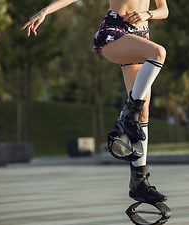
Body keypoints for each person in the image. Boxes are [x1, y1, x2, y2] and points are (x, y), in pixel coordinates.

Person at [21, 0, 169, 204]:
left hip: (141, 35)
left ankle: (139, 182)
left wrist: (148, 15)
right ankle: (127, 113)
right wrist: (46, 11)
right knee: (159, 53)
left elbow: (164, 10)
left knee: (143, 114)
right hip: (114, 32)